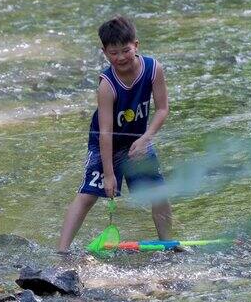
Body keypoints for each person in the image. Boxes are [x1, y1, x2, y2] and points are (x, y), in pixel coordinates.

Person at [58, 15, 173, 252]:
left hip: (138, 142)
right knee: (88, 195)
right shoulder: (107, 85)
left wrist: (145, 139)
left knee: (159, 194)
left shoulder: (153, 69)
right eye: (113, 53)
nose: (120, 57)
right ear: (104, 52)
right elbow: (105, 133)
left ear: (136, 46)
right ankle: (62, 251)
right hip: (105, 142)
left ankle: (167, 244)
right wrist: (109, 175)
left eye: (126, 50)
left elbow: (162, 110)